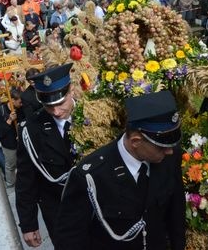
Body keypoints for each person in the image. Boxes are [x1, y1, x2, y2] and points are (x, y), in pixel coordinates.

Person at [54, 90, 186, 250]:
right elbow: (70, 239)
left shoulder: (169, 157)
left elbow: (176, 214)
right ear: (136, 141)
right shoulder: (91, 176)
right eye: (161, 147)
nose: (169, 151)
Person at [16, 63, 77, 247]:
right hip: (61, 215)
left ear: (71, 90)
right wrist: (28, 224)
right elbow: (26, 180)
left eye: (60, 103)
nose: (56, 112)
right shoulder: (32, 129)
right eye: (49, 106)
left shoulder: (97, 113)